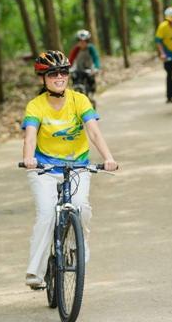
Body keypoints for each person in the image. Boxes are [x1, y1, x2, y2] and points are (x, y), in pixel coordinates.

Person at [21, 50, 118, 288]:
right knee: (46, 214)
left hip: (77, 165)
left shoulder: (79, 100)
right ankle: (36, 272)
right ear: (42, 78)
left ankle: (78, 246)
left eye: (63, 72)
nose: (59, 77)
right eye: (52, 73)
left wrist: (108, 158)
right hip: (44, 167)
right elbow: (30, 136)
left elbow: (93, 131)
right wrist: (28, 158)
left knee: (81, 208)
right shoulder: (35, 106)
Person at [68, 29, 101, 96]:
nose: (82, 43)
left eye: (85, 41)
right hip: (79, 69)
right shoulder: (76, 49)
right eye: (80, 41)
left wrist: (97, 67)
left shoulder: (91, 48)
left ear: (87, 41)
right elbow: (70, 59)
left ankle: (91, 94)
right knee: (75, 79)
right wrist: (67, 68)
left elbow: (96, 58)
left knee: (90, 80)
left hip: (89, 69)